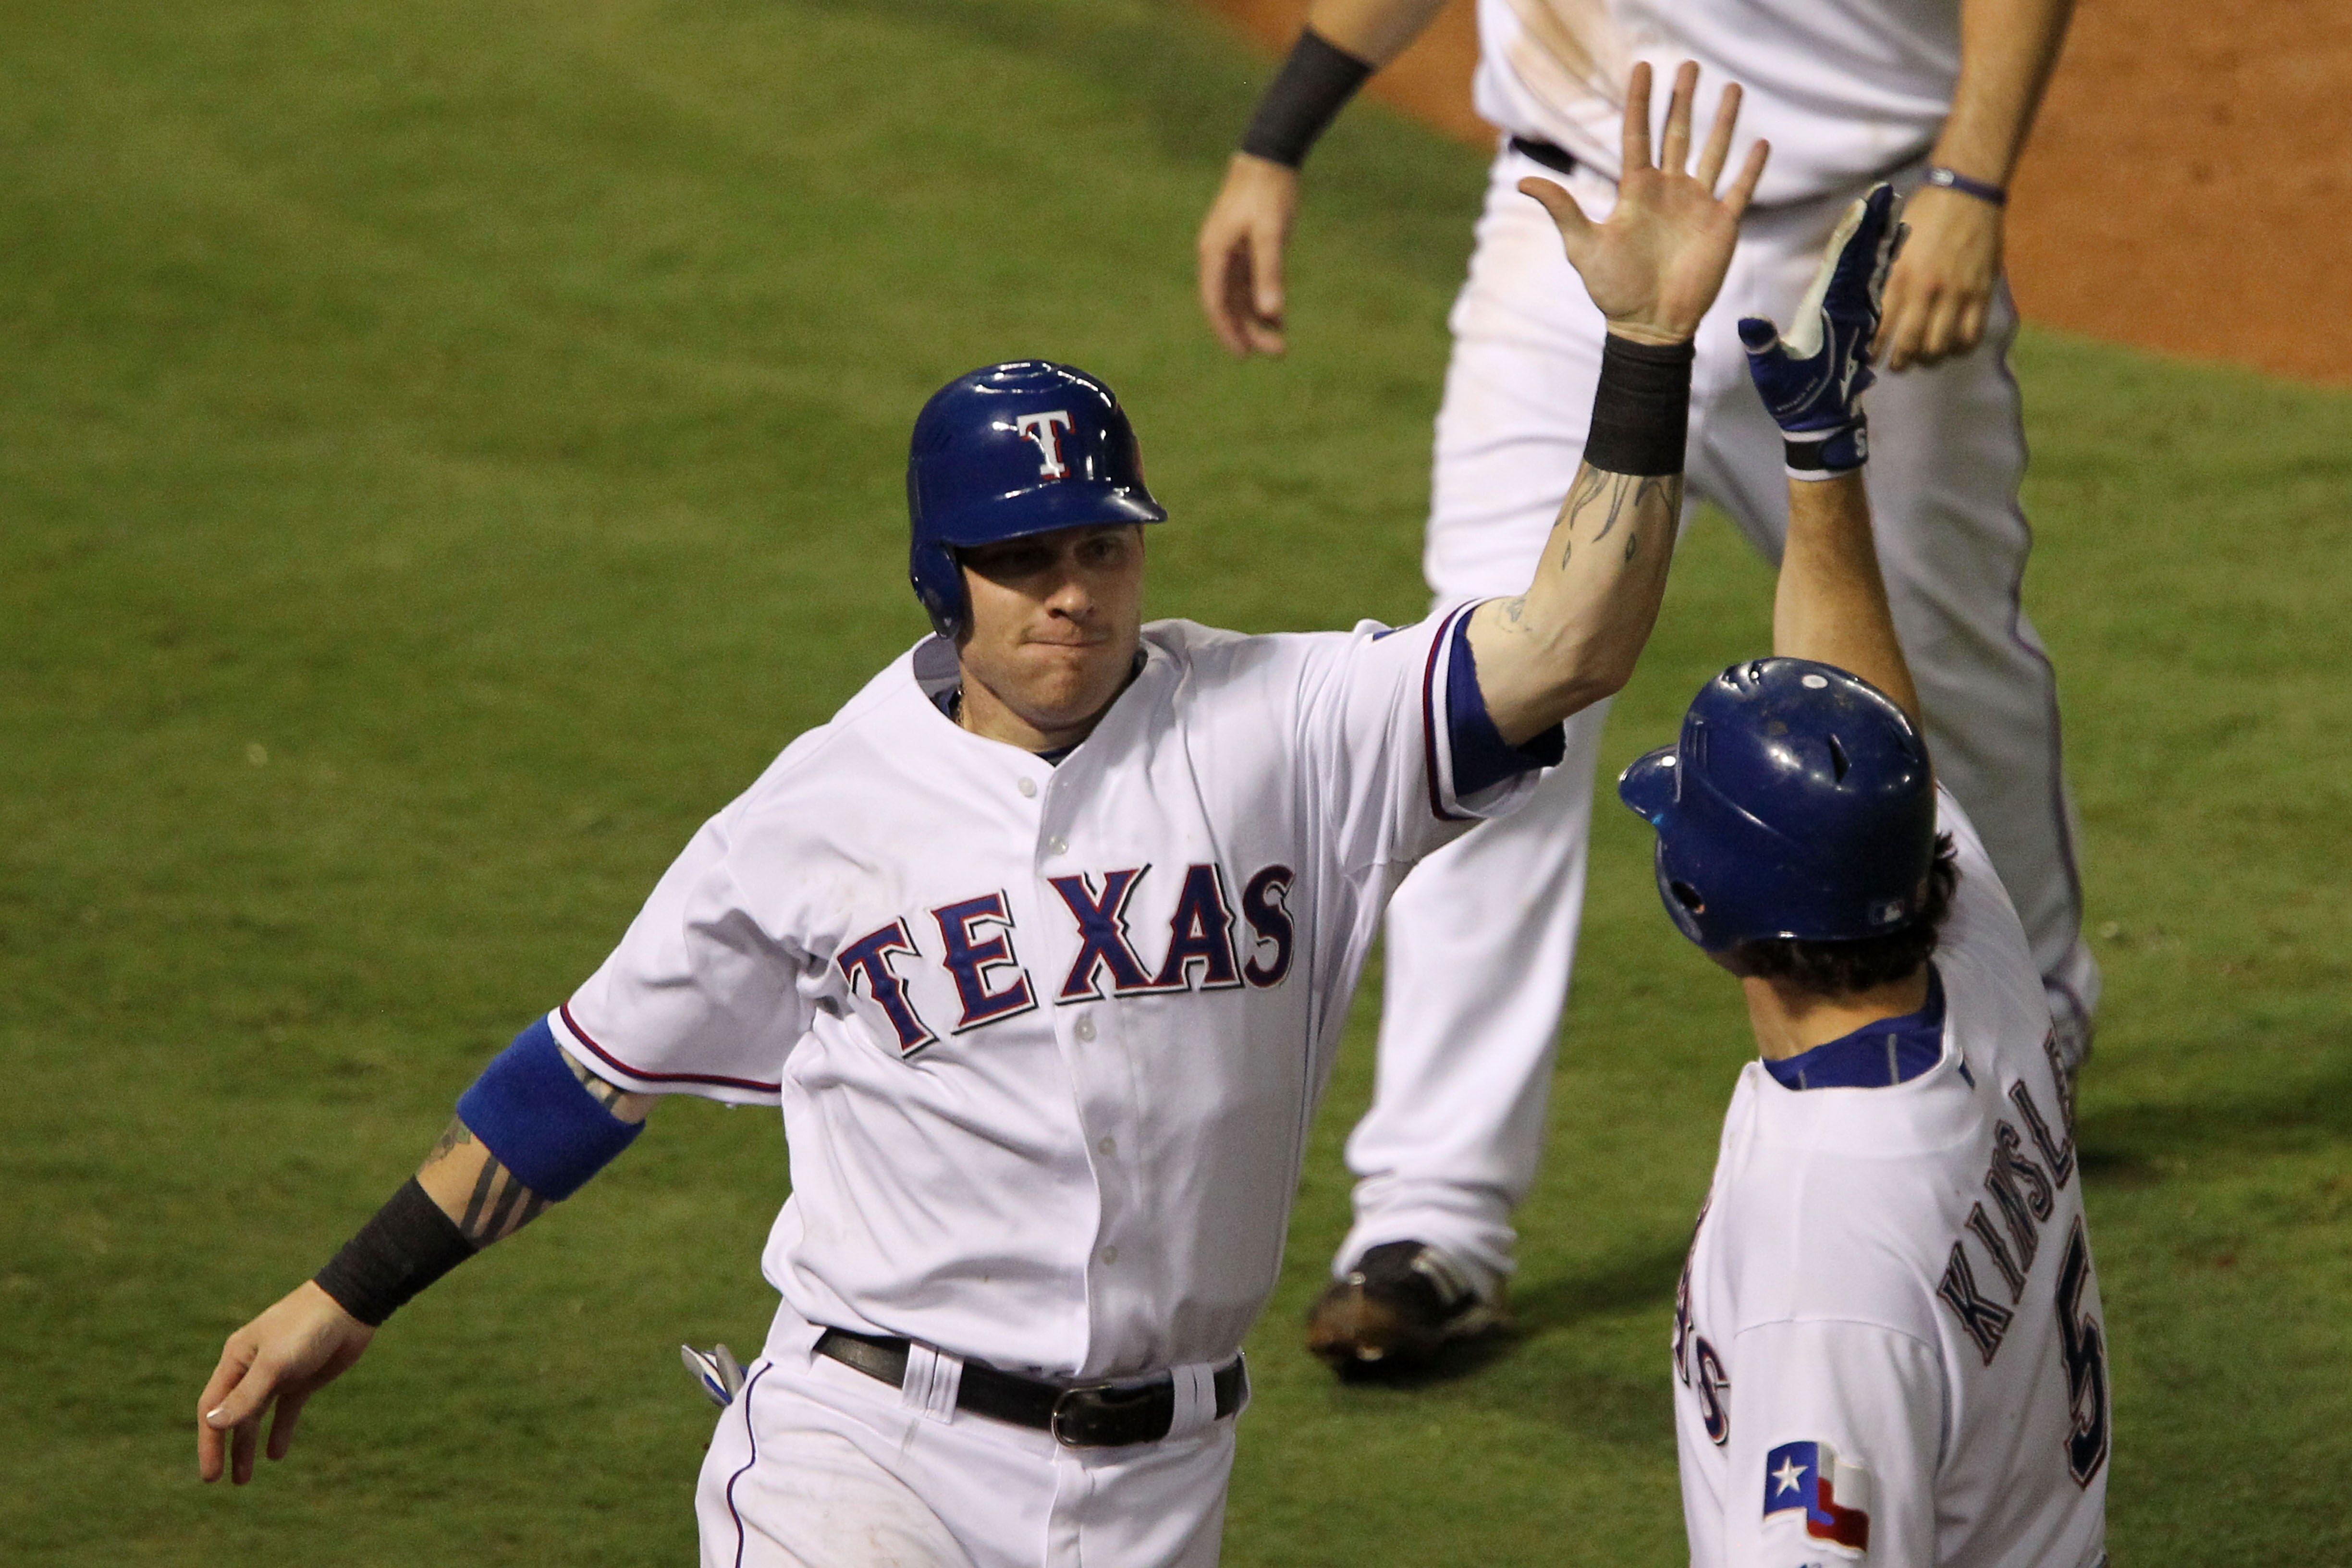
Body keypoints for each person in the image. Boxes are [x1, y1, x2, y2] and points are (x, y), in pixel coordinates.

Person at [196, 66, 1764, 1568]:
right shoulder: (818, 811)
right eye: (1027, 562)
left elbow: (1569, 646)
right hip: (867, 1454)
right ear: (942, 579)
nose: (1075, 595)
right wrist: (346, 1297)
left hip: (1165, 1482)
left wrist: (1645, 349)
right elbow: (583, 1076)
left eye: (1104, 548)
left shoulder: (1292, 724)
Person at [1197, 0, 2096, 1369]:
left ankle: (2034, 1004)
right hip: (1587, 229)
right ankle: (1432, 1218)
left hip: (1871, 221)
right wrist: (1279, 137)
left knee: (1940, 674)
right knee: (1498, 693)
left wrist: (1970, 182)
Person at [1630, 183, 2108, 1567]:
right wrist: (1822, 456)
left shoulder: (1824, 1279)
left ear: (1704, 915)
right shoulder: (1972, 962)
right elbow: (1871, 732)